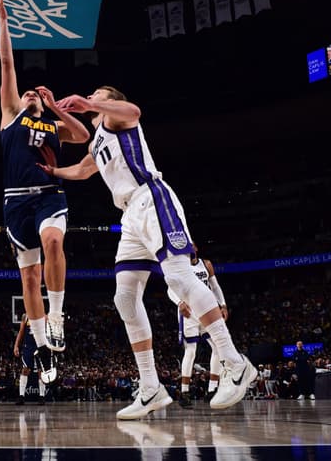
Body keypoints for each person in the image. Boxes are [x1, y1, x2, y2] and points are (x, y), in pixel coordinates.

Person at [39, 86, 257, 418]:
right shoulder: (98, 139)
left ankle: (235, 363)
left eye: (101, 95)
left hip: (152, 198)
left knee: (180, 278)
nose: (93, 98)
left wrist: (88, 103)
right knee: (124, 298)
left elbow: (135, 112)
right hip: (130, 216)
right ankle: (151, 387)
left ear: (111, 100)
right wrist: (54, 172)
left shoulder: (119, 119)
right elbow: (83, 170)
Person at [0, 0, 89, 381]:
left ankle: (58, 318)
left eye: (35, 93)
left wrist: (56, 107)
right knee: (28, 278)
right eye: (27, 93)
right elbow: (7, 63)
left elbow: (82, 135)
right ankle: (42, 347)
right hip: (15, 203)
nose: (29, 92)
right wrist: (3, 20)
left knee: (54, 243)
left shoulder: (52, 125)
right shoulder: (10, 116)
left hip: (50, 197)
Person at [169, 244, 228, 408]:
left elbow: (215, 286)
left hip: (207, 309)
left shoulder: (206, 264)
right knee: (191, 350)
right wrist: (179, 302)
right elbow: (170, 289)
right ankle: (184, 392)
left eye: (191, 245)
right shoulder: (178, 267)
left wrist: (223, 305)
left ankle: (212, 390)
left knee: (217, 347)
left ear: (196, 248)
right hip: (189, 311)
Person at [13, 313, 46, 405]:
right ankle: (21, 396)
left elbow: (48, 332)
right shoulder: (25, 316)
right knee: (25, 370)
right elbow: (21, 332)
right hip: (28, 347)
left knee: (41, 371)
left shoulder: (44, 316)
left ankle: (42, 396)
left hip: (40, 346)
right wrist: (16, 346)